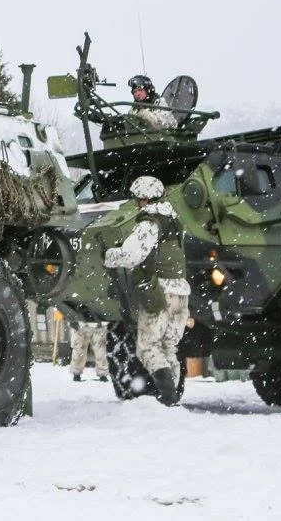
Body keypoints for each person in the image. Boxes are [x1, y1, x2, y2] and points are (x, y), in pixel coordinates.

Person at [104, 174, 190, 405]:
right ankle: (173, 398)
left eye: (138, 198)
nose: (136, 203)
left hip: (159, 294)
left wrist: (110, 256)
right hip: (181, 293)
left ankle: (169, 397)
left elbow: (132, 254)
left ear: (144, 199)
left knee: (148, 348)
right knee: (169, 347)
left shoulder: (150, 223)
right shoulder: (174, 220)